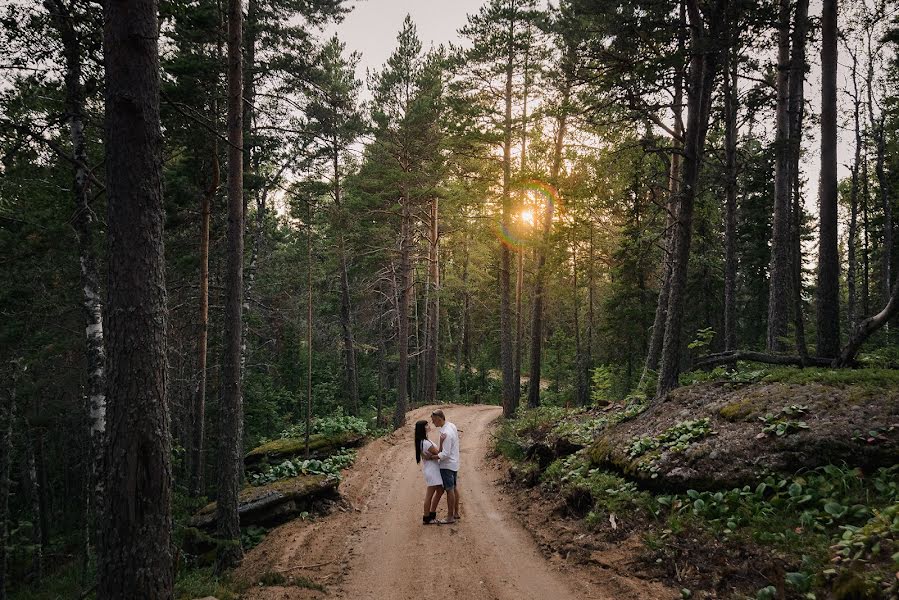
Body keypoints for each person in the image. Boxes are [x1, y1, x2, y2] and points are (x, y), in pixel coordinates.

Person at [430, 409, 460, 524]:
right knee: (454, 487)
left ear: (439, 418)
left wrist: (433, 457)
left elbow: (445, 454)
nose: (433, 423)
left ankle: (450, 516)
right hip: (454, 462)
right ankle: (456, 513)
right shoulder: (451, 426)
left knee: (449, 490)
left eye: (434, 420)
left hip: (447, 465)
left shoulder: (445, 433)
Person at [414, 419, 443, 524]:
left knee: (440, 491)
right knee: (429, 494)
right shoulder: (425, 443)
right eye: (426, 425)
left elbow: (434, 455)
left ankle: (431, 514)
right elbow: (439, 453)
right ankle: (426, 517)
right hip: (432, 470)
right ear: (423, 429)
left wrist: (432, 457)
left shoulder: (423, 441)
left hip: (432, 469)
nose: (429, 426)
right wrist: (443, 441)